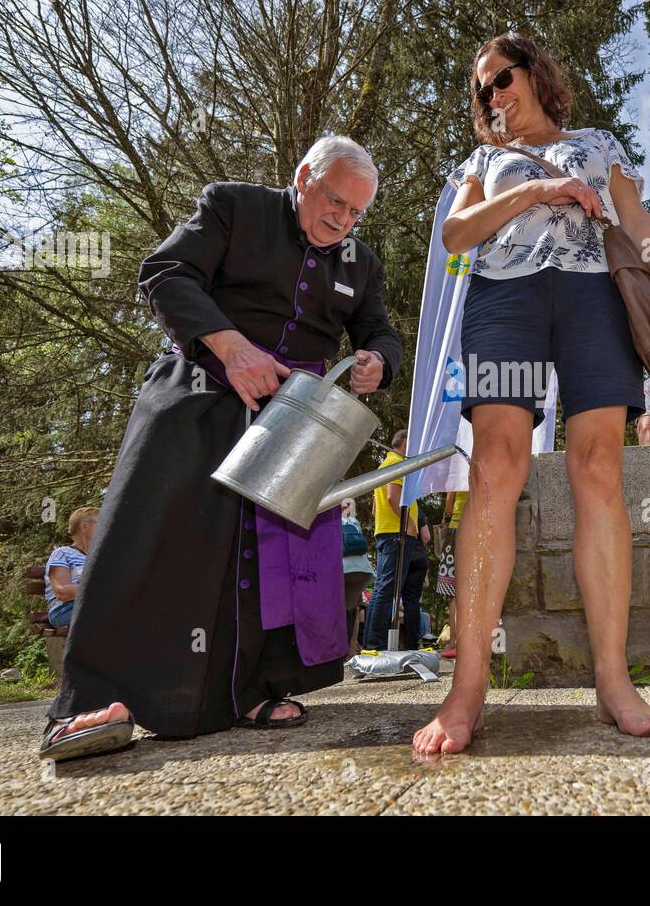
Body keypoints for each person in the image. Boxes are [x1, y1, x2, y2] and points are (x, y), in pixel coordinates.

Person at [40, 135, 403, 761]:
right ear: (303, 177)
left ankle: (253, 690)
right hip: (199, 395)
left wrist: (378, 361)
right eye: (334, 202)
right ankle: (93, 700)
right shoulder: (234, 206)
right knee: (151, 541)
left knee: (273, 566)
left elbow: (381, 331)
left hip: (293, 424)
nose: (342, 221)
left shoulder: (359, 263)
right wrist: (231, 347)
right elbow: (166, 272)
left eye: (356, 213)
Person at [413, 31, 650, 754]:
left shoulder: (598, 143)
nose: (492, 96)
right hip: (503, 302)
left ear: (534, 74)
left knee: (598, 468)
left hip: (594, 298)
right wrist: (534, 189)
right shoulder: (482, 160)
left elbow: (637, 222)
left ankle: (613, 682)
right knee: (495, 467)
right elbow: (455, 233)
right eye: (481, 91)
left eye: (500, 79)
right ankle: (467, 686)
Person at [362, 429, 432, 651]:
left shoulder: (386, 465)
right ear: (405, 443)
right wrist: (410, 525)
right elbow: (393, 496)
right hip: (397, 534)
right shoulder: (397, 463)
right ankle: (375, 645)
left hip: (388, 533)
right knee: (386, 589)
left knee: (386, 588)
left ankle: (375, 644)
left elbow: (375, 508)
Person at [43, 507, 99, 629]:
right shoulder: (62, 553)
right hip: (65, 610)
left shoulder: (99, 559)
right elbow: (61, 591)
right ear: (84, 527)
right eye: (101, 523)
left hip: (95, 606)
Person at [435, 489, 469, 657]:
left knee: (454, 592)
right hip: (478, 529)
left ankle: (454, 641)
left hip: (456, 530)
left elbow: (448, 509)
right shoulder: (484, 466)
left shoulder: (457, 470)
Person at [340, 504, 375, 656]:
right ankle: (350, 651)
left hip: (340, 569)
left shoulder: (327, 522)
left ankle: (336, 651)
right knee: (353, 609)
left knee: (335, 609)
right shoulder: (353, 522)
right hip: (362, 571)